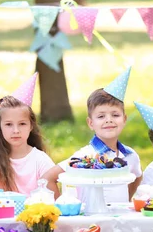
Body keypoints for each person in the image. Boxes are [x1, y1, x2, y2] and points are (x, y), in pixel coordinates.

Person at [43, 67, 143, 203]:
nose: (109, 119)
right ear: (90, 123)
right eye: (101, 116)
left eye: (115, 115)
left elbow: (137, 176)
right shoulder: (85, 156)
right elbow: (48, 178)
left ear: (124, 119)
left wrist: (126, 201)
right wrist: (64, 207)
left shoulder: (131, 155)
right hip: (91, 222)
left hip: (120, 222)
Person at [0, 74, 55, 196]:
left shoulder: (41, 160)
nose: (16, 130)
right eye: (8, 124)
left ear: (31, 126)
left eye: (22, 124)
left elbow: (53, 200)